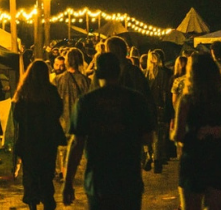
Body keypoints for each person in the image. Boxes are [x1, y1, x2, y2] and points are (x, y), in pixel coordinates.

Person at [62, 53, 156, 210]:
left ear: (97, 73)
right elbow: (148, 137)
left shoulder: (86, 102)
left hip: (98, 179)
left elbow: (77, 143)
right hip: (129, 177)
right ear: (119, 72)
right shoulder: (136, 99)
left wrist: (68, 183)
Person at [173, 53, 221, 210]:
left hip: (193, 158)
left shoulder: (187, 101)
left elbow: (179, 134)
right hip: (219, 158)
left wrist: (193, 135)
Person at [12, 60, 65, 210]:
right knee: (46, 171)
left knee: (30, 172)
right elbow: (58, 110)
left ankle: (32, 202)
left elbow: (17, 115)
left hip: (28, 139)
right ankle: (48, 199)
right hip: (47, 140)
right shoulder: (50, 91)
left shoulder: (24, 93)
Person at [53, 48, 90, 178]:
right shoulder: (86, 81)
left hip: (62, 119)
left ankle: (61, 171)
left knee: (61, 148)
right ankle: (70, 171)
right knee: (76, 147)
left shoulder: (57, 80)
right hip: (78, 119)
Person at [143, 51, 173, 173]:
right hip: (157, 106)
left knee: (151, 132)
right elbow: (165, 92)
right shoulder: (160, 74)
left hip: (151, 106)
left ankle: (151, 156)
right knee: (157, 134)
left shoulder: (148, 73)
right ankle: (155, 158)